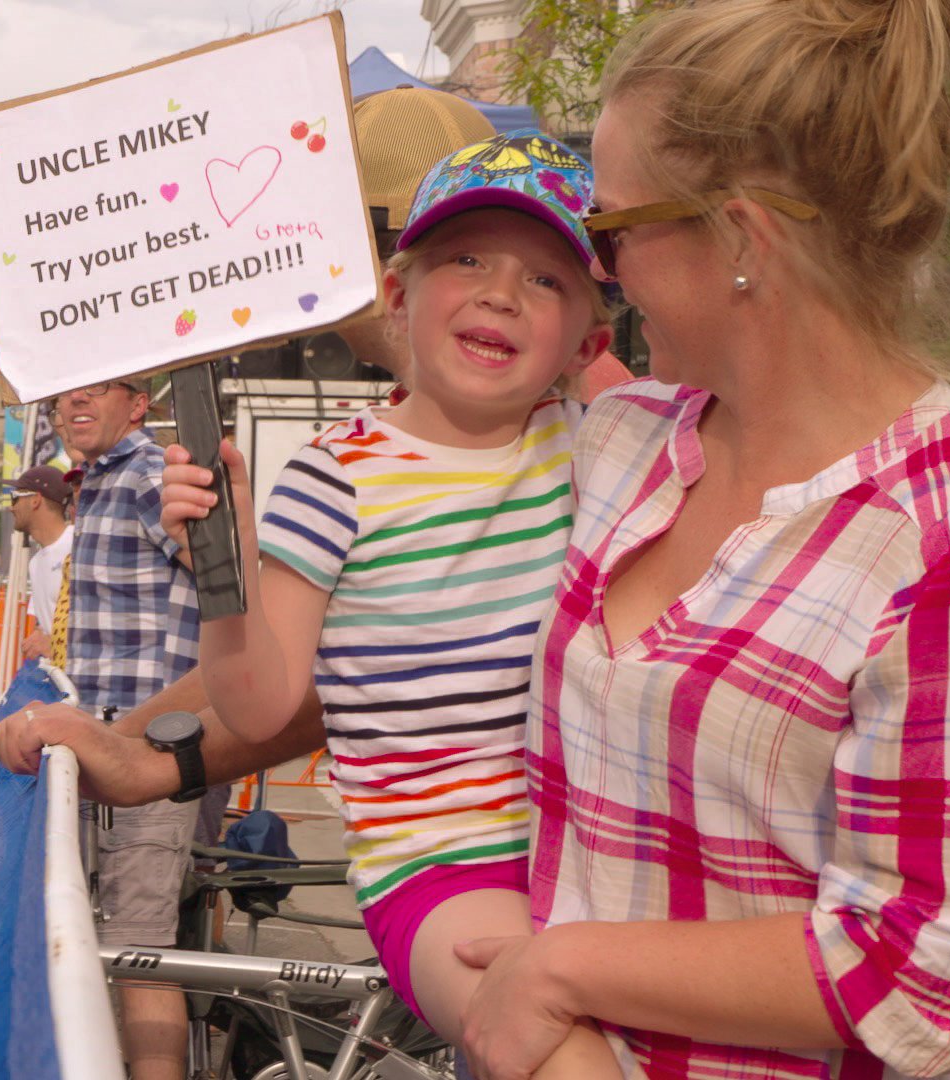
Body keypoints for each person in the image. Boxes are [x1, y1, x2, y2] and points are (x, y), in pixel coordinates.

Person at [454, 2, 950, 1077]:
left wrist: (564, 971)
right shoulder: (625, 443)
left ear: (742, 236)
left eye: (613, 229)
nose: (604, 269)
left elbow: (926, 975)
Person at [159, 133, 617, 1075]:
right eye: (466, 259)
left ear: (588, 340)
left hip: (603, 852)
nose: (500, 291)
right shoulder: (333, 477)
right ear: (400, 296)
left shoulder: (597, 442)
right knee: (548, 1047)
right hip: (440, 866)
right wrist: (224, 565)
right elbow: (258, 705)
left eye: (545, 280)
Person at [30, 373, 204, 1080]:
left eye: (95, 390)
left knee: (140, 945)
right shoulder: (97, 480)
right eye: (64, 394)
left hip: (151, 746)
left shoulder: (148, 475)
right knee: (96, 935)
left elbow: (225, 585)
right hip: (99, 739)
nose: (73, 402)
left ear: (137, 405)